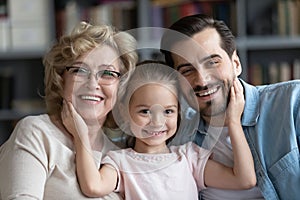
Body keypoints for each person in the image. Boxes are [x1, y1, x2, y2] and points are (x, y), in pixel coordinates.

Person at [62, 63, 256, 199]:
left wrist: (233, 122)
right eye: (145, 111)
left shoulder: (188, 157)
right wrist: (81, 136)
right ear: (124, 112)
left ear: (178, 113)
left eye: (168, 111)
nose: (157, 122)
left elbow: (244, 179)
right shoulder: (120, 162)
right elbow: (93, 186)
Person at [160, 14, 300, 200]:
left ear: (236, 63)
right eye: (187, 70)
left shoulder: (292, 103)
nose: (202, 80)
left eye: (212, 62)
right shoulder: (174, 137)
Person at [0, 21, 138, 199]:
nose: (93, 84)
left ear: (121, 88)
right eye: (80, 70)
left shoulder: (120, 154)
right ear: (60, 79)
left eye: (108, 73)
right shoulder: (36, 132)